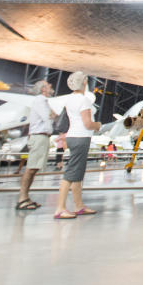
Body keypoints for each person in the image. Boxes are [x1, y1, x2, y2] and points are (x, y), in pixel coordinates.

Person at [48, 71, 100, 219]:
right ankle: (60, 209)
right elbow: (88, 123)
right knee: (71, 173)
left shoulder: (70, 99)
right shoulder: (84, 101)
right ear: (84, 82)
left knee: (77, 173)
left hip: (72, 135)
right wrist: (98, 125)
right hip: (80, 137)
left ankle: (79, 206)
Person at [16, 80, 54, 210]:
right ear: (43, 89)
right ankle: (22, 198)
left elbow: (51, 115)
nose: (51, 86)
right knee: (31, 168)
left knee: (33, 169)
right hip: (39, 136)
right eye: (48, 85)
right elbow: (47, 117)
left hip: (41, 136)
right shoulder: (40, 101)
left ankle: (26, 197)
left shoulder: (44, 101)